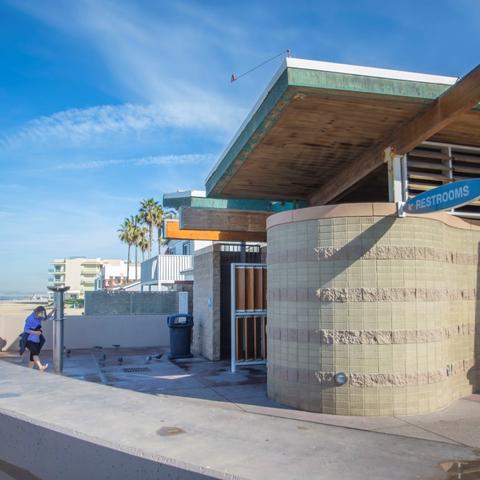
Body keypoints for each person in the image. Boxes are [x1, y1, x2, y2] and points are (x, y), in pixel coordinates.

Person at [23, 306, 54, 371]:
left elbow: (46, 318)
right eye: (42, 313)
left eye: (43, 313)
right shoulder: (30, 318)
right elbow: (26, 330)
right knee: (35, 353)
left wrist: (53, 311)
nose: (42, 315)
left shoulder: (39, 317)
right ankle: (41, 367)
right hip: (29, 339)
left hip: (37, 340)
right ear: (37, 312)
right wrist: (35, 332)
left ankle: (29, 370)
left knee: (32, 357)